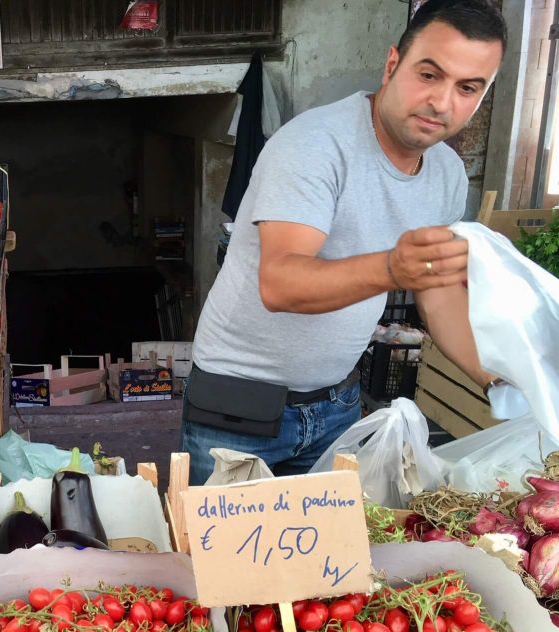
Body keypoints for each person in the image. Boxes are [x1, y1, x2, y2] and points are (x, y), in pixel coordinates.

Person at [181, 0, 509, 485]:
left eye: (468, 88)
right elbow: (280, 284)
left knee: (329, 559)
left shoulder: (447, 176)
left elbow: (437, 295)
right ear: (393, 64)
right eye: (429, 75)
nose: (442, 102)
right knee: (223, 559)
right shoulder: (315, 145)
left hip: (336, 402)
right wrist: (393, 269)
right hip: (239, 406)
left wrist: (503, 379)